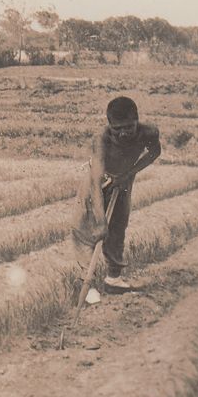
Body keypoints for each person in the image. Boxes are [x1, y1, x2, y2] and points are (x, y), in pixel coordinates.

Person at [72, 96, 161, 301]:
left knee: (119, 226)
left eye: (128, 127)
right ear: (109, 125)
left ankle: (113, 279)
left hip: (124, 179)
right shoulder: (101, 139)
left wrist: (129, 174)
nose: (122, 133)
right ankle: (85, 283)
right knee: (87, 228)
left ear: (137, 121)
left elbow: (155, 151)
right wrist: (101, 219)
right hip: (98, 179)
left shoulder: (149, 132)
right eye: (116, 128)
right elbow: (95, 182)